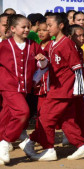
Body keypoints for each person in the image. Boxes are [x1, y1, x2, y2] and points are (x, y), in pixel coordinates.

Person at [23, 13, 84, 161]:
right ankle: (82, 146)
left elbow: (77, 67)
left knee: (45, 119)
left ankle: (48, 149)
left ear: (60, 26)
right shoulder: (51, 44)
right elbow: (45, 65)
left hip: (62, 91)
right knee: (66, 121)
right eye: (46, 26)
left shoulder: (67, 43)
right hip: (55, 90)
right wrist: (41, 62)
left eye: (49, 26)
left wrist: (77, 90)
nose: (47, 29)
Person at [0, 14, 47, 165]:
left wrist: (42, 60)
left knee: (6, 116)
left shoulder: (33, 45)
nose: (27, 29)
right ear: (13, 29)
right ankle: (5, 142)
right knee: (23, 112)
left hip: (25, 87)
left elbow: (44, 65)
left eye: (28, 26)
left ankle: (2, 143)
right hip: (8, 86)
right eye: (23, 27)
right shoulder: (4, 46)